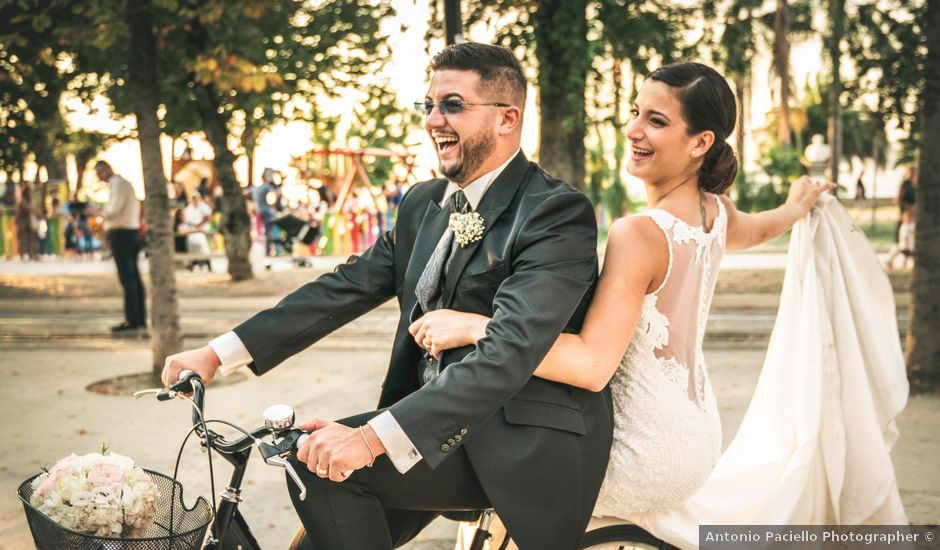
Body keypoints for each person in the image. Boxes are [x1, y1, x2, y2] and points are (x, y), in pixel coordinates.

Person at [414, 63, 906, 547]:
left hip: (643, 453)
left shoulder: (639, 234)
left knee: (499, 450)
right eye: (636, 112)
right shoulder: (715, 212)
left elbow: (589, 365)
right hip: (698, 436)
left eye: (657, 120)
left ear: (701, 143)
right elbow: (763, 227)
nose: (633, 130)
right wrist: (797, 207)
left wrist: (477, 326)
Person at [162, 43, 612, 550]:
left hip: (519, 442)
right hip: (430, 429)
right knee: (313, 497)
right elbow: (342, 288)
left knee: (324, 471)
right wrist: (217, 354)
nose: (433, 120)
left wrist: (368, 438)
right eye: (429, 105)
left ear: (507, 118)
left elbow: (510, 349)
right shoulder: (424, 203)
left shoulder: (555, 213)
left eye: (453, 105)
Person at [96, 161, 146, 333]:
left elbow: (113, 210)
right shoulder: (125, 184)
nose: (99, 178)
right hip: (131, 232)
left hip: (122, 233)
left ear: (107, 170)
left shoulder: (118, 185)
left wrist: (99, 212)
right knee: (134, 277)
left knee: (128, 278)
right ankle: (139, 317)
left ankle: (132, 319)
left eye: (99, 173)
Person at [254, 167, 281, 256]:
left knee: (266, 231)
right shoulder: (266, 186)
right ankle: (270, 251)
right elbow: (277, 194)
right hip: (266, 211)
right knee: (270, 231)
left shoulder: (258, 188)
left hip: (260, 211)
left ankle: (268, 251)